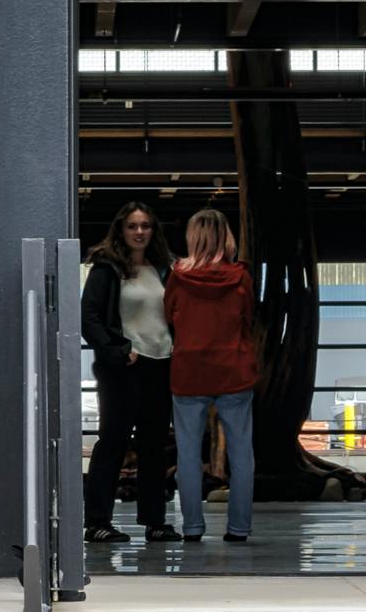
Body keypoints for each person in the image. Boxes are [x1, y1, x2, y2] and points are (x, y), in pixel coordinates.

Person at [159, 205, 267, 546]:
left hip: (189, 371)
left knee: (188, 455)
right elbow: (248, 317)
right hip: (234, 369)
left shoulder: (177, 276)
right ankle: (238, 529)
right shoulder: (241, 277)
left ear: (193, 237)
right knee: (242, 454)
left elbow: (170, 318)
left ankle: (192, 528)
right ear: (226, 237)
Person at [77, 203, 178, 544]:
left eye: (145, 226)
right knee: (112, 442)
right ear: (121, 229)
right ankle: (97, 522)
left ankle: (155, 521)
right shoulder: (107, 268)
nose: (139, 232)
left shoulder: (164, 269)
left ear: (153, 230)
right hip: (124, 367)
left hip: (160, 365)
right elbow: (89, 317)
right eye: (133, 226)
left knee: (153, 447)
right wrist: (119, 351)